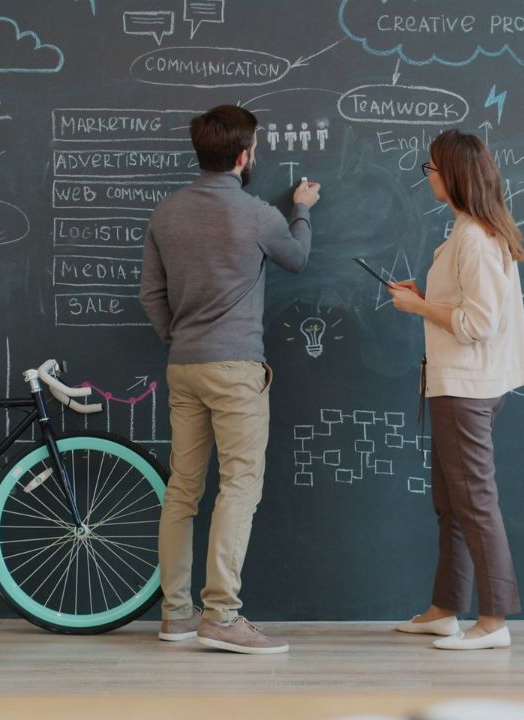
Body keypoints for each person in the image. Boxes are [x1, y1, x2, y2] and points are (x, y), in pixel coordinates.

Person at [139, 104, 322, 655]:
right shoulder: (257, 213)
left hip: (184, 365)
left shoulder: (166, 213)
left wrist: (179, 336)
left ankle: (176, 615)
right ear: (243, 157)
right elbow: (298, 258)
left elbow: (151, 293)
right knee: (239, 485)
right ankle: (221, 614)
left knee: (183, 489)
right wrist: (304, 209)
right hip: (236, 367)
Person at [385, 128, 524, 650]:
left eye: (429, 169)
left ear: (451, 174)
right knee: (452, 501)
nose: (426, 177)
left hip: (466, 386)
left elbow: (479, 323)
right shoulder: (470, 231)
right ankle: (444, 609)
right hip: (459, 383)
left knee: (473, 501)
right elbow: (471, 311)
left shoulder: (473, 237)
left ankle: (493, 622)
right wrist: (427, 297)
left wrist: (418, 307)